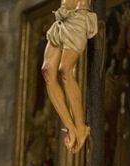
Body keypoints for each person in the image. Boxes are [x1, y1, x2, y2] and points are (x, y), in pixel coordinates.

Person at [41, 0, 98, 154]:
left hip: (78, 15)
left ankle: (80, 127)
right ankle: (70, 127)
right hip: (62, 16)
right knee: (47, 71)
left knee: (64, 71)